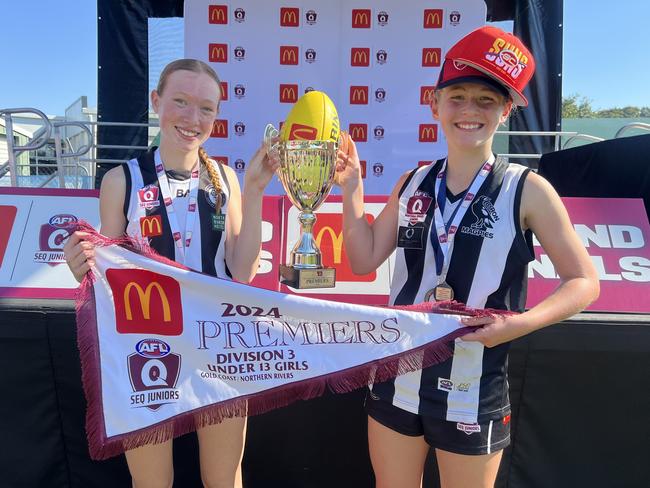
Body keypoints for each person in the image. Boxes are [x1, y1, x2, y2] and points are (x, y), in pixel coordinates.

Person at [336, 26, 599, 488]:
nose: (470, 111)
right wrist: (352, 189)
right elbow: (362, 261)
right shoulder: (412, 182)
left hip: (474, 387)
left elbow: (583, 281)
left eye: (486, 100)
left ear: (507, 110)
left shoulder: (528, 189)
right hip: (399, 372)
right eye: (457, 96)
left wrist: (519, 325)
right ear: (434, 104)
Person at [64, 59, 278, 488]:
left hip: (218, 345)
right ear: (156, 102)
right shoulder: (120, 180)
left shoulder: (226, 181)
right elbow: (109, 276)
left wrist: (254, 191)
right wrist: (82, 267)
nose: (192, 118)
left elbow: (242, 271)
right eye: (181, 102)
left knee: (224, 480)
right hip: (147, 347)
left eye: (206, 108)